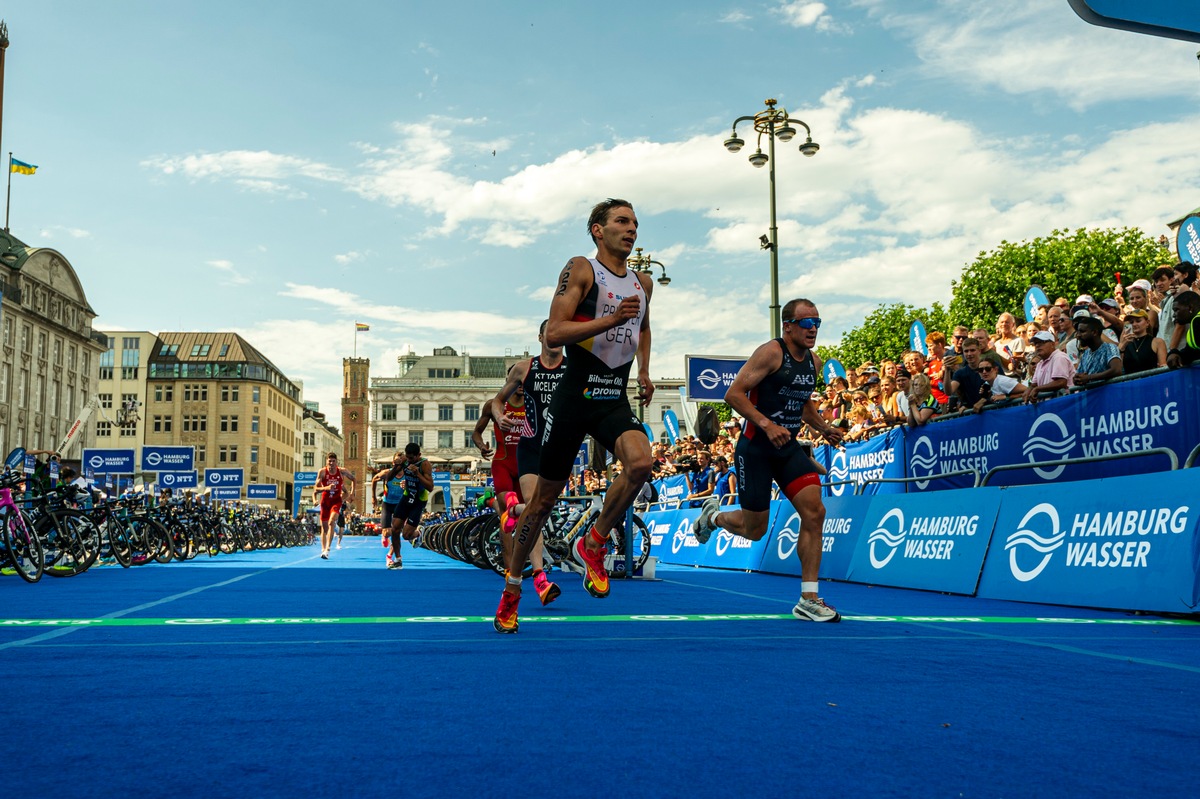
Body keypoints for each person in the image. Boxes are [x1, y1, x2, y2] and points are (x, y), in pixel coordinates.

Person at [494, 198, 655, 634]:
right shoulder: (582, 269)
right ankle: (512, 591)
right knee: (542, 502)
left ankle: (595, 541)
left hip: (613, 395)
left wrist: (642, 369)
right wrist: (606, 321)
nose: (632, 229)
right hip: (575, 395)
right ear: (598, 231)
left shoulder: (643, 282)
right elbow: (555, 331)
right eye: (622, 222)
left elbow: (642, 327)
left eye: (635, 223)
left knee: (641, 462)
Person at [691, 298, 843, 622]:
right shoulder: (771, 353)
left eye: (818, 322)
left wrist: (824, 427)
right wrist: (767, 424)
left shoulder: (814, 363)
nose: (813, 328)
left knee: (815, 512)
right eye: (806, 322)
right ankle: (713, 518)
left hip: (787, 449)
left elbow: (803, 405)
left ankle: (809, 598)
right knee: (754, 528)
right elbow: (733, 394)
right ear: (787, 326)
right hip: (756, 450)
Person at [486, 319, 568, 606]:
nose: (556, 337)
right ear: (541, 336)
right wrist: (498, 416)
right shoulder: (524, 369)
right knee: (536, 511)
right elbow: (496, 402)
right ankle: (539, 577)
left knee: (539, 512)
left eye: (561, 333)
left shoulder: (574, 368)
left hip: (557, 448)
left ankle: (513, 511)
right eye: (551, 332)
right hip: (528, 450)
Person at [384, 443, 433, 566]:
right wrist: (396, 466)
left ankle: (418, 533)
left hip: (419, 499)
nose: (409, 460)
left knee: (406, 535)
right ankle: (398, 559)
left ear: (419, 455)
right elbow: (389, 478)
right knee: (395, 528)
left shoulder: (425, 464)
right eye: (408, 457)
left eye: (412, 458)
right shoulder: (405, 461)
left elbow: (430, 487)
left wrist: (418, 474)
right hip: (407, 496)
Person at [313, 452, 355, 559]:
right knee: (324, 526)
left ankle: (328, 548)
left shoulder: (342, 471)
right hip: (325, 501)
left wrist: (352, 493)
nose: (331, 463)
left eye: (333, 461)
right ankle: (323, 549)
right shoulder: (322, 472)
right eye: (329, 461)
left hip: (336, 501)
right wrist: (326, 488)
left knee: (332, 522)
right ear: (326, 461)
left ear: (337, 462)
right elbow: (316, 489)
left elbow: (354, 479)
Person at [1072, 309, 1123, 386]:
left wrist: (1089, 377)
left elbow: (1116, 370)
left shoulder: (1109, 348)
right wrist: (1077, 379)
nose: (1078, 335)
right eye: (1078, 332)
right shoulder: (1085, 354)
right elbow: (1081, 376)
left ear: (1094, 332)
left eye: (1082, 331)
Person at [372, 451, 405, 567]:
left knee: (396, 533)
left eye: (400, 461)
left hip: (400, 505)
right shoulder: (387, 473)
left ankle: (390, 556)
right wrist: (373, 497)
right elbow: (374, 480)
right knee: (387, 533)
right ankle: (384, 535)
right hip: (387, 503)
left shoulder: (407, 474)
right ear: (393, 462)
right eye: (396, 461)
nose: (398, 463)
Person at [1025, 330, 1076, 403]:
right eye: (1035, 343)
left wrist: (1037, 389)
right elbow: (1033, 384)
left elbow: (1061, 382)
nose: (1037, 345)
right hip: (1050, 405)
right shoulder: (1040, 363)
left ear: (1052, 344)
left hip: (1065, 403)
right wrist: (1028, 391)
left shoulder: (1059, 357)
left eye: (1041, 342)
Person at [1119, 308, 1167, 374]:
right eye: (1131, 322)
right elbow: (1118, 369)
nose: (1134, 324)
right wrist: (1122, 347)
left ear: (1147, 322)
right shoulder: (1125, 343)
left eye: (1138, 321)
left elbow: (1163, 366)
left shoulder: (1157, 342)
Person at [1166, 290, 1200, 368]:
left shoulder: (1197, 321)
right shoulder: (1193, 325)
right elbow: (1191, 351)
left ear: (1190, 308)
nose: (1174, 315)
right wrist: (1175, 353)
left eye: (1176, 310)